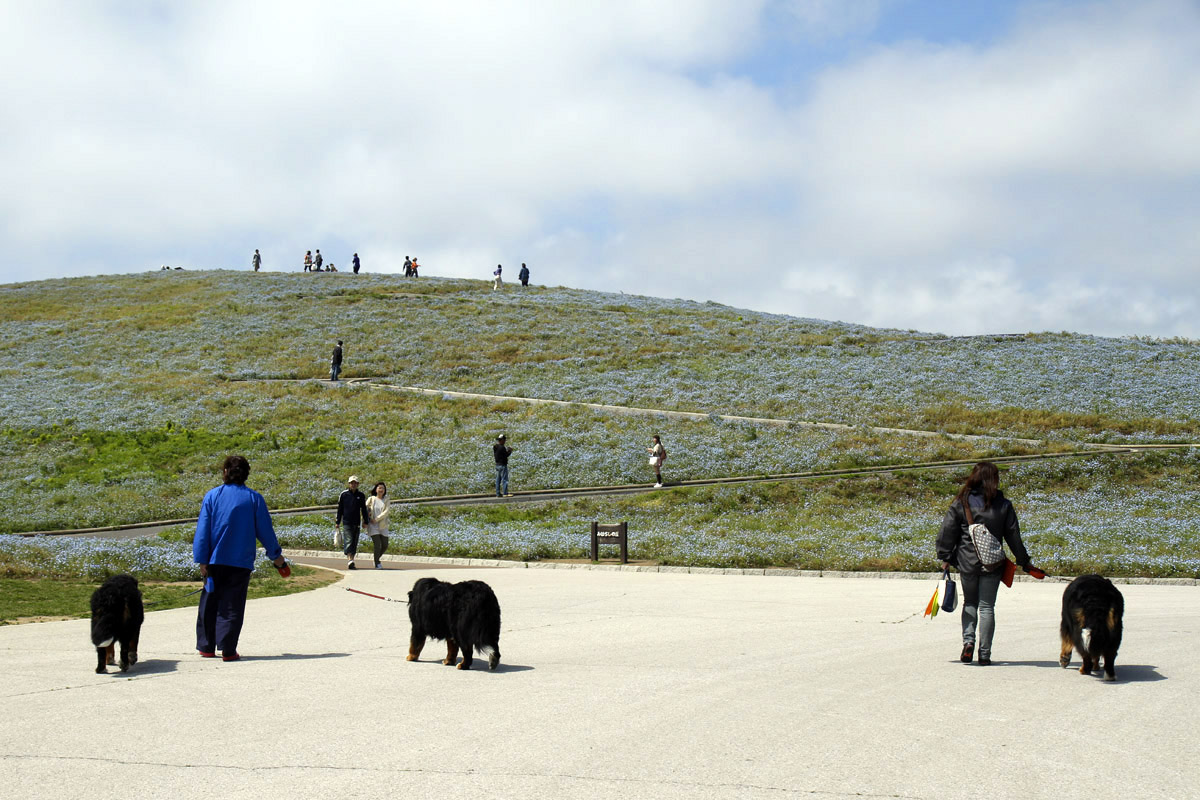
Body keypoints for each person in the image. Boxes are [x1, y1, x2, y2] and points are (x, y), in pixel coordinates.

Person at [936, 461, 1042, 666]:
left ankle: (968, 643)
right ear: (994, 480)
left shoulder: (962, 502)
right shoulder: (1004, 505)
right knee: (987, 607)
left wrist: (945, 556)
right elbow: (1014, 536)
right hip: (993, 564)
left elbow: (947, 531)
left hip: (967, 562)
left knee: (970, 602)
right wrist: (1024, 562)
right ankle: (984, 654)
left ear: (974, 477)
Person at [192, 455, 287, 661]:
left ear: (225, 472)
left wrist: (202, 560)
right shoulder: (254, 498)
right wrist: (277, 558)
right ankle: (228, 649)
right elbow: (266, 532)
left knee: (209, 603)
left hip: (214, 562)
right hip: (240, 562)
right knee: (232, 605)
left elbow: (203, 531)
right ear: (246, 474)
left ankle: (206, 647)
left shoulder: (212, 496)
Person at [336, 475, 369, 569]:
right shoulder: (344, 494)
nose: (353, 485)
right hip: (346, 521)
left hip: (356, 522)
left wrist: (365, 521)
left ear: (357, 484)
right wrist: (337, 521)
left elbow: (363, 509)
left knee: (354, 541)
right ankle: (350, 559)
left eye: (355, 483)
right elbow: (340, 509)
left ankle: (352, 560)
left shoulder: (361, 495)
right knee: (349, 540)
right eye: (351, 483)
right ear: (349, 484)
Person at [366, 481, 390, 569]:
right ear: (376, 489)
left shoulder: (386, 499)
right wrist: (365, 521)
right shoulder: (371, 499)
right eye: (379, 488)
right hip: (372, 525)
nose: (381, 490)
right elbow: (365, 509)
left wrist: (377, 519)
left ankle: (376, 558)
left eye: (383, 488)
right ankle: (377, 563)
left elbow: (386, 512)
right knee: (377, 544)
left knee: (385, 545)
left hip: (383, 525)